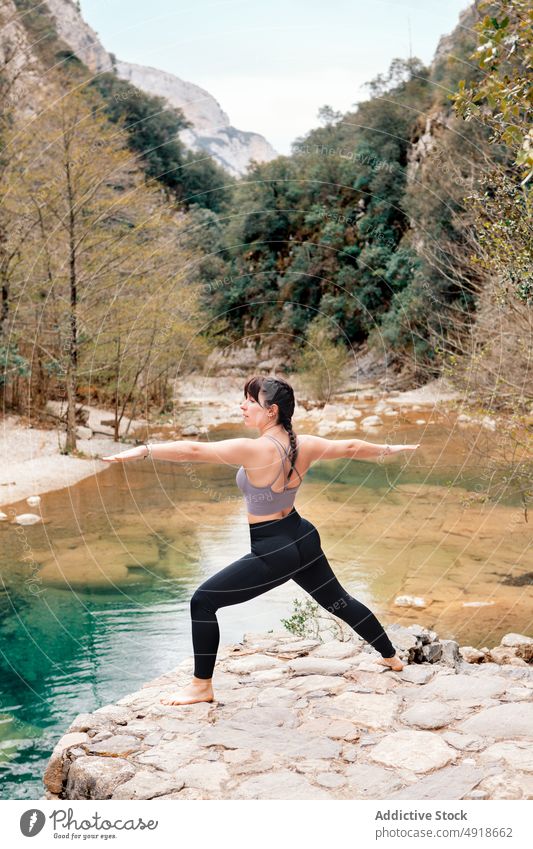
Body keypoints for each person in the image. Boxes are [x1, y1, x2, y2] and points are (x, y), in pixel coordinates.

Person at [102, 375, 420, 706]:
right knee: (338, 600)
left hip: (274, 549)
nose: (243, 406)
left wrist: (145, 450)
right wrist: (389, 449)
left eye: (251, 401)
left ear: (271, 411)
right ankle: (390, 656)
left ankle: (201, 686)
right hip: (302, 535)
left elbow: (193, 451)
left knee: (203, 602)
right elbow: (352, 447)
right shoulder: (305, 442)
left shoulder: (253, 449)